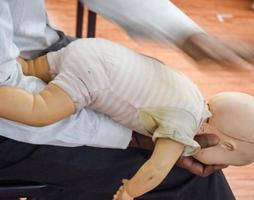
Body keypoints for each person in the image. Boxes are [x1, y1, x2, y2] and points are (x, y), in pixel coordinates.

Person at [0, 0, 235, 199]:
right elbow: (155, 170)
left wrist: (184, 32)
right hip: (13, 107)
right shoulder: (179, 123)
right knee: (190, 181)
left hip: (61, 55)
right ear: (228, 145)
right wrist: (129, 149)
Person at [10, 38, 254, 199]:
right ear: (227, 146)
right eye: (223, 162)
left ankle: (13, 69)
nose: (216, 165)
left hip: (90, 51)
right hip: (93, 75)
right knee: (38, 109)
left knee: (28, 68)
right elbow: (155, 170)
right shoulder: (182, 128)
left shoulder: (192, 93)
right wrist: (130, 192)